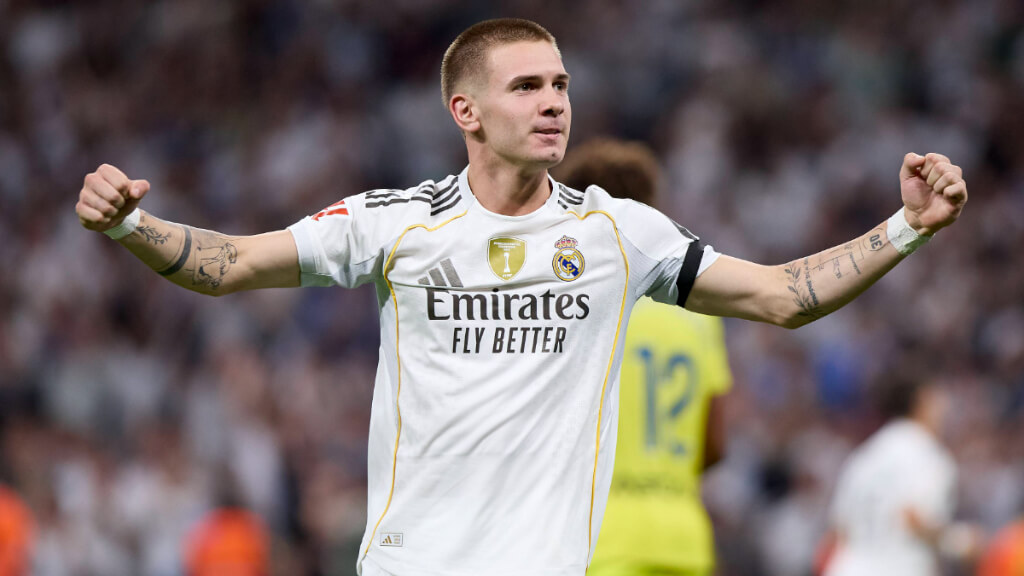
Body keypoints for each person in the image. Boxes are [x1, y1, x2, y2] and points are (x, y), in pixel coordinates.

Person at [75, 17, 968, 576]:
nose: (555, 103)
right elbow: (229, 264)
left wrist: (907, 228)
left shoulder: (620, 231)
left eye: (562, 85)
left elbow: (781, 296)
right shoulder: (395, 222)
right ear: (466, 111)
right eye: (528, 86)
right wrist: (128, 229)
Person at [553, 139, 732, 576]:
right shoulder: (696, 314)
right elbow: (714, 443)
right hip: (683, 537)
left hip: (600, 536)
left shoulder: (574, 304)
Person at [823, 378, 979, 576]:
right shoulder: (927, 454)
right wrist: (961, 542)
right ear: (923, 400)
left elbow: (839, 530)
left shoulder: (864, 455)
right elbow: (912, 518)